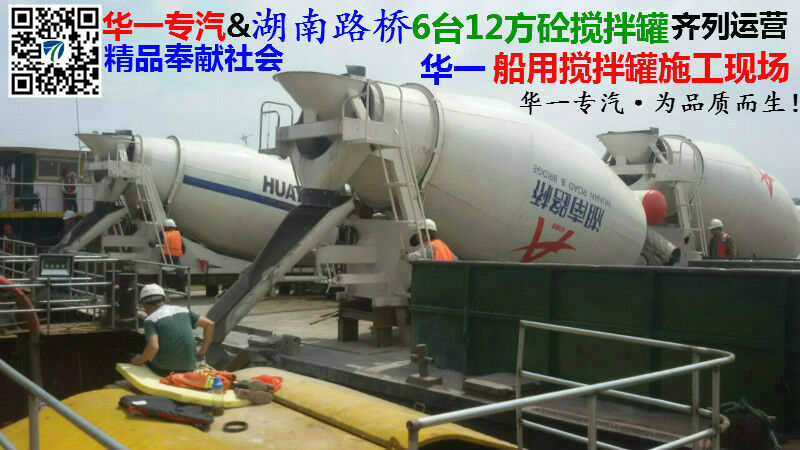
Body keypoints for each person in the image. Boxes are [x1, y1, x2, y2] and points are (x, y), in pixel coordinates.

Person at [130, 283, 214, 376]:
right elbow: (209, 324)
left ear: (144, 305)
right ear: (165, 299)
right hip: (190, 368)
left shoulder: (150, 320)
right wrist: (203, 351)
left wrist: (139, 360)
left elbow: (153, 347)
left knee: (140, 355)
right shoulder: (184, 310)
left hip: (165, 371)